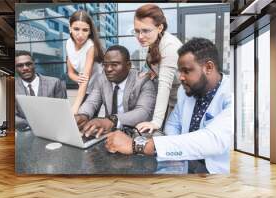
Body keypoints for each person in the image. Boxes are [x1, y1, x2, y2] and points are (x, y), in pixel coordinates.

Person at [104, 38, 233, 174]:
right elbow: (173, 124)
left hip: (214, 171)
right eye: (180, 71)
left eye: (186, 71)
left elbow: (213, 140)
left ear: (208, 67)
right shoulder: (184, 91)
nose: (181, 77)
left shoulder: (230, 94)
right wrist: (175, 154)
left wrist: (139, 145)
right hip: (183, 161)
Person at [75, 45, 156, 138]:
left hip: (136, 134)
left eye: (114, 65)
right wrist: (83, 115)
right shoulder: (102, 79)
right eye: (105, 65)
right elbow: (92, 102)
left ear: (128, 65)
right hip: (109, 132)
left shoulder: (143, 81)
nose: (108, 69)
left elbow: (143, 112)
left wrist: (112, 120)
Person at [133, 4, 183, 133]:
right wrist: (153, 72)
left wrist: (156, 121)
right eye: (137, 31)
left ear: (159, 27)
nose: (140, 36)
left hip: (184, 101)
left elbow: (164, 85)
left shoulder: (170, 45)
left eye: (145, 30)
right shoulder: (154, 41)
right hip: (172, 100)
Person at [15, 50, 67, 129]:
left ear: (34, 64)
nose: (25, 68)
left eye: (28, 64)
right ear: (15, 68)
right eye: (20, 65)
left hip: (52, 130)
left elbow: (63, 111)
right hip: (25, 132)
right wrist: (33, 124)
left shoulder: (55, 83)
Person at [66, 10, 104, 114]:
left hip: (99, 86)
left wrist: (75, 106)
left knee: (85, 115)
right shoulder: (68, 43)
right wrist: (78, 78)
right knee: (80, 117)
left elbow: (85, 80)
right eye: (76, 29)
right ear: (70, 28)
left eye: (85, 30)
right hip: (85, 86)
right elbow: (70, 73)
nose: (80, 35)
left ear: (90, 31)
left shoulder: (90, 46)